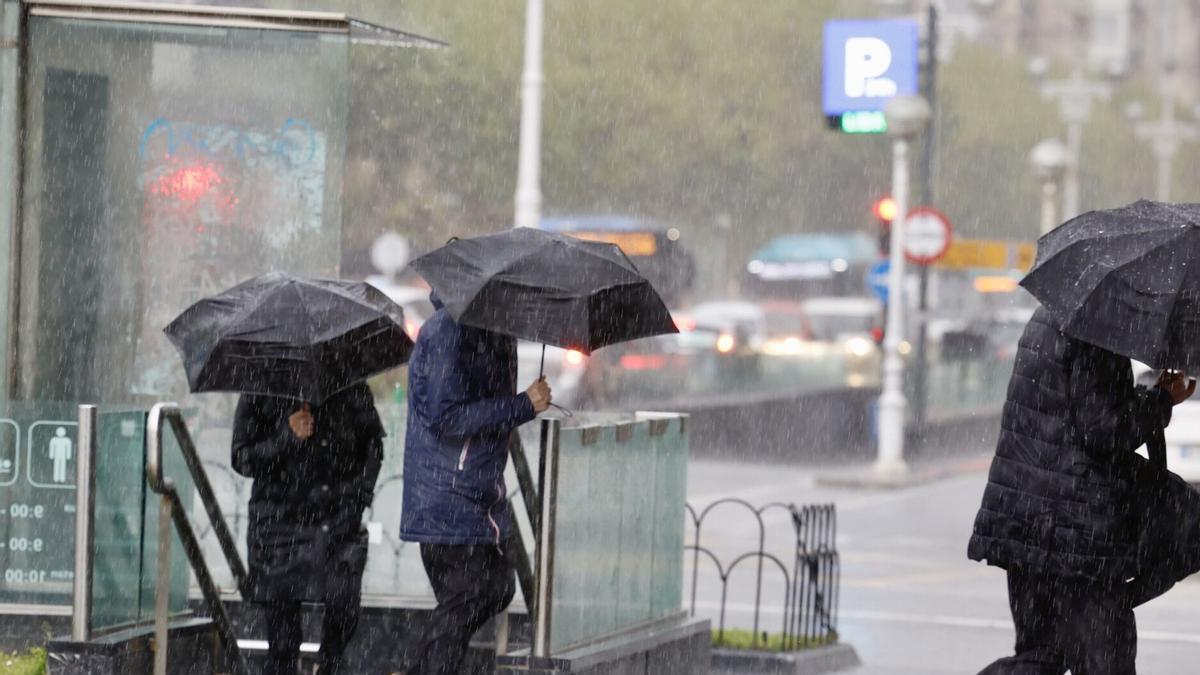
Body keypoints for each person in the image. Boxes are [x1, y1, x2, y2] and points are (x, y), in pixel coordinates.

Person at [968, 307, 1196, 675]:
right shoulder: (1097, 331)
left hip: (1026, 523)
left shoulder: (1049, 317)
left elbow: (1075, 414)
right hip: (1076, 537)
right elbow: (1103, 431)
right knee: (1105, 663)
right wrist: (1162, 401)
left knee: (1040, 657)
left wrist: (1145, 396)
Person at [400, 292, 552, 675]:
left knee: (493, 588)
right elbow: (445, 417)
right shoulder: (448, 333)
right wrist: (521, 405)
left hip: (475, 495)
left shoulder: (490, 331)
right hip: (448, 497)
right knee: (473, 594)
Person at [232, 382, 384, 675]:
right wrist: (287, 437)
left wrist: (356, 500)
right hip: (278, 524)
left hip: (337, 521)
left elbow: (374, 446)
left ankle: (328, 665)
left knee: (343, 607)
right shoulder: (262, 385)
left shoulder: (348, 384)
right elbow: (242, 458)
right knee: (283, 639)